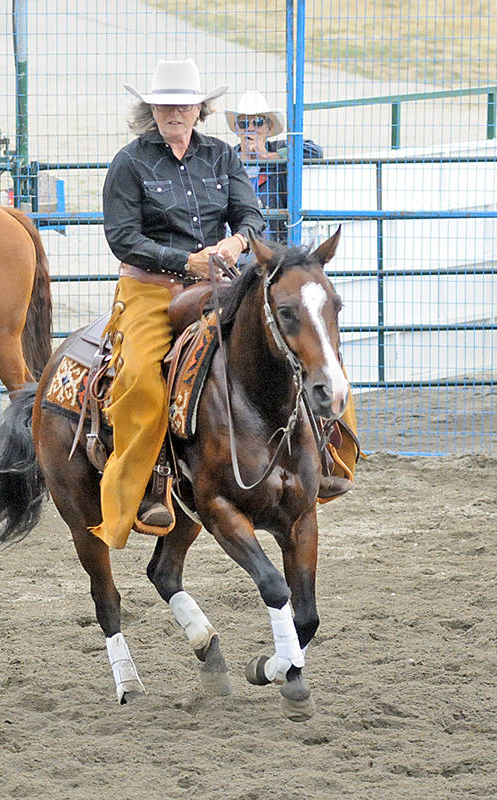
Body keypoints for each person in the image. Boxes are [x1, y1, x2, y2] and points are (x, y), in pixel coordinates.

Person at [95, 58, 266, 550]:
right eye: (166, 103)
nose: (175, 110)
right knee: (139, 378)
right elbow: (123, 238)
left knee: (291, 338)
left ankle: (322, 457)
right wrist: (185, 261)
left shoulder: (221, 157)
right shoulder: (129, 162)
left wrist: (236, 244)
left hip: (219, 279)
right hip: (151, 288)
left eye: (184, 103)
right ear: (152, 109)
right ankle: (145, 488)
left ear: (200, 109)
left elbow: (250, 213)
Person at [225, 90, 323, 242]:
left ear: (268, 128)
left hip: (274, 242)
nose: (250, 128)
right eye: (244, 124)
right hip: (238, 240)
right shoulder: (228, 157)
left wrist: (268, 157)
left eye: (257, 122)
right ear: (238, 130)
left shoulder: (279, 148)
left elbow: (315, 152)